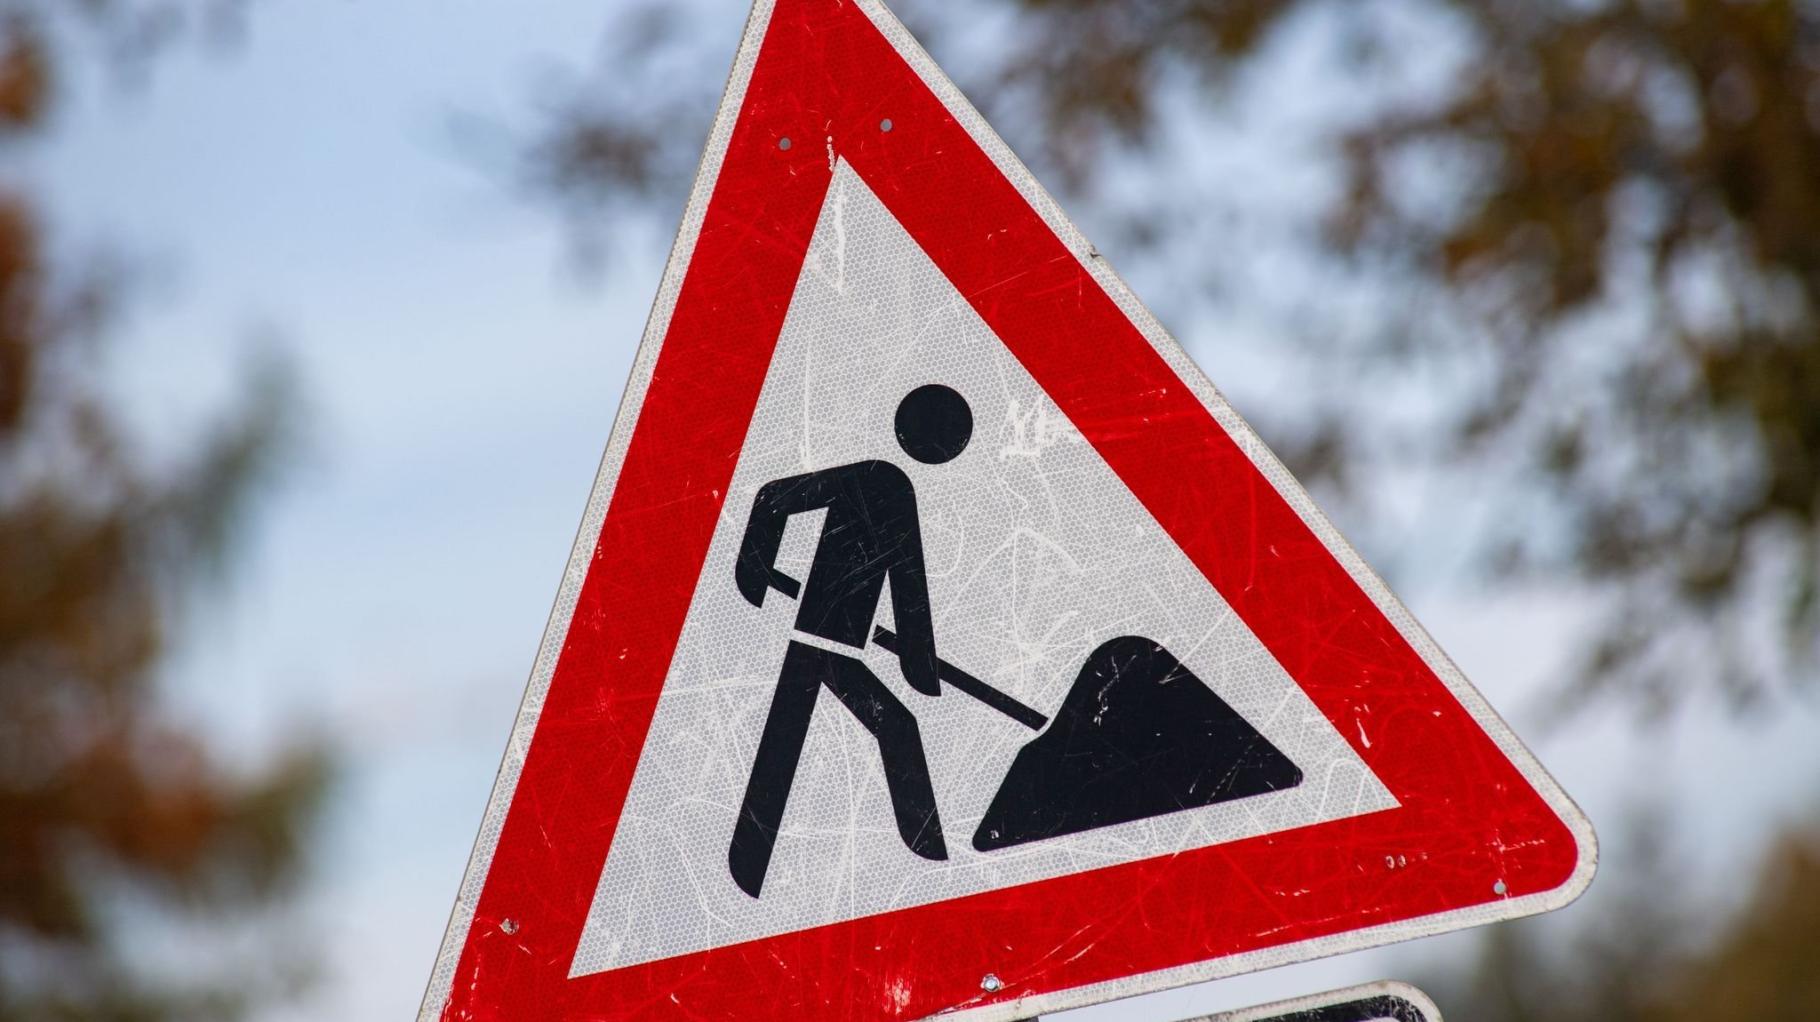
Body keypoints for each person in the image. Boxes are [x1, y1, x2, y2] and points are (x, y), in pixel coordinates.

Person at [727, 383, 973, 898]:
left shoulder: (886, 483)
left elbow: (910, 589)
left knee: (793, 744)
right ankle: (936, 866)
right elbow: (772, 499)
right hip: (820, 644)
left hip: (829, 647)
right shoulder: (881, 481)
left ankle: (746, 868)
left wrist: (918, 663)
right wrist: (751, 571)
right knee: (891, 728)